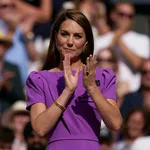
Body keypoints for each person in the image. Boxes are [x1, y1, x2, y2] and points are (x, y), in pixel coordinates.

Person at [26, 10, 122, 150]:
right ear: (55, 36)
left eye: (77, 36)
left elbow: (115, 124)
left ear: (86, 42)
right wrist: (67, 91)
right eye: (65, 34)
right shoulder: (39, 79)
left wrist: (92, 88)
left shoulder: (102, 77)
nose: (70, 42)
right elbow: (40, 129)